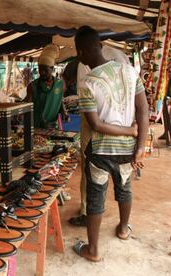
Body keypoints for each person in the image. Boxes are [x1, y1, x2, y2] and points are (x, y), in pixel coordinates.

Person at [73, 26, 148, 262]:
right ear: (101, 46)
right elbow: (143, 109)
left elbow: (95, 124)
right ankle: (124, 229)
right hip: (127, 149)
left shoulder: (87, 82)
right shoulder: (128, 71)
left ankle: (93, 250)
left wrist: (129, 132)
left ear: (81, 53)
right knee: (125, 188)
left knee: (96, 196)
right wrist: (139, 144)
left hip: (100, 151)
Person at [69, 45, 132, 227]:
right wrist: (132, 132)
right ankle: (123, 226)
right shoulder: (122, 58)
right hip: (123, 124)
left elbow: (90, 113)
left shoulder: (86, 62)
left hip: (94, 121)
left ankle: (87, 213)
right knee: (123, 176)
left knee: (92, 173)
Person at [26, 44, 68, 128]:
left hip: (53, 126)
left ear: (52, 68)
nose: (42, 72)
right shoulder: (32, 86)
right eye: (40, 69)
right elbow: (27, 107)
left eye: (45, 70)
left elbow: (59, 101)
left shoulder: (60, 84)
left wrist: (64, 113)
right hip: (37, 127)